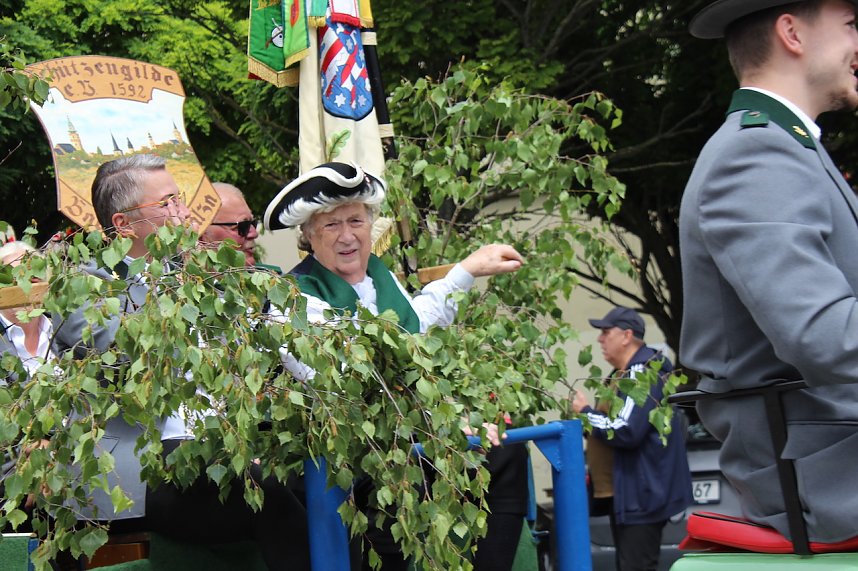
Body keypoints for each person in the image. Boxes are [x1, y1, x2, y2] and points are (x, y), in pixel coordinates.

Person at [263, 161, 530, 571]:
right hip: (348, 460)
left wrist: (467, 270)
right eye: (332, 225)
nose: (348, 236)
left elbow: (414, 324)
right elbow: (350, 385)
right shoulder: (293, 299)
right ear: (308, 236)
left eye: (356, 220)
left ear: (373, 227)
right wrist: (446, 427)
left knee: (503, 452)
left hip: (405, 444)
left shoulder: (377, 279)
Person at [52, 154, 311, 571]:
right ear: (123, 225)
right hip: (138, 467)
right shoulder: (83, 286)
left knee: (323, 480)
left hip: (212, 451)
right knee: (266, 492)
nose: (183, 214)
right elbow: (127, 360)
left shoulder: (201, 277)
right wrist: (177, 285)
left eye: (180, 200)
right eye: (167, 203)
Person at [679, 0, 858, 544]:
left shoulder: (787, 147)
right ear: (792, 34)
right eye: (851, 25)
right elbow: (827, 337)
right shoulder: (757, 153)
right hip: (825, 473)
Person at [570, 306, 691, 571]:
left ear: (626, 336)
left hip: (641, 493)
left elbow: (625, 430)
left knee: (636, 566)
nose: (600, 339)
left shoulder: (641, 372)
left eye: (605, 332)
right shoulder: (622, 374)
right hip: (628, 492)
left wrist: (585, 413)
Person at [200, 182, 259, 267]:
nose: (254, 233)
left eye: (253, 223)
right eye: (242, 226)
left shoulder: (271, 277)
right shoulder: (178, 278)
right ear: (202, 236)